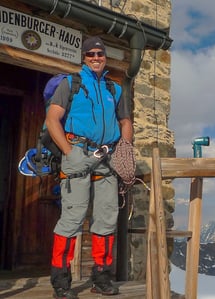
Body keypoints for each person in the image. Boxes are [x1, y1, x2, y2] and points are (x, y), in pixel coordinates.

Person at [46, 36, 133, 299]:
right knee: (72, 218)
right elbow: (52, 120)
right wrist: (69, 152)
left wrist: (125, 147)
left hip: (106, 158)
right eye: (90, 54)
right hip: (77, 153)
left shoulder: (115, 89)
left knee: (106, 218)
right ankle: (61, 282)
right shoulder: (70, 84)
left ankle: (101, 278)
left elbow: (125, 121)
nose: (96, 58)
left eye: (100, 54)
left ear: (105, 57)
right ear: (83, 57)